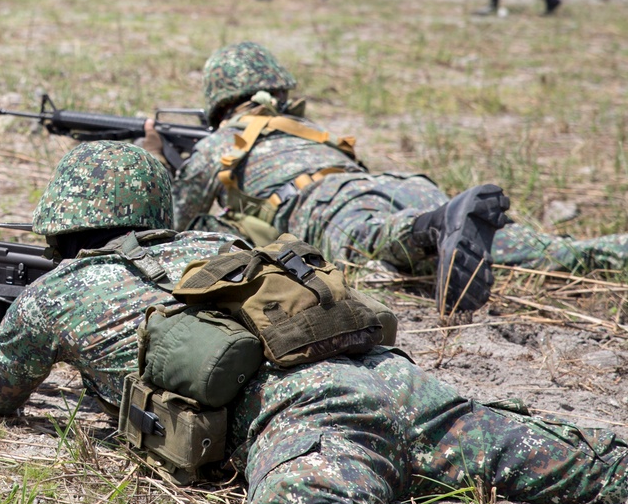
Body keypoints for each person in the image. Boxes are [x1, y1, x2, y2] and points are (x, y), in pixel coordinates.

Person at [0, 140, 628, 504]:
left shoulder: (53, 295)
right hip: (396, 378)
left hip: (309, 426)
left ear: (57, 219)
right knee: (598, 467)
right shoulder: (215, 245)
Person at [151, 42, 628, 312]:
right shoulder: (302, 128)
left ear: (218, 99)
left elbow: (172, 222)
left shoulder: (222, 141)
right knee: (529, 249)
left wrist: (160, 158)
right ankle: (603, 251)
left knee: (379, 240)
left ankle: (434, 225)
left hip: (324, 202)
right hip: (391, 183)